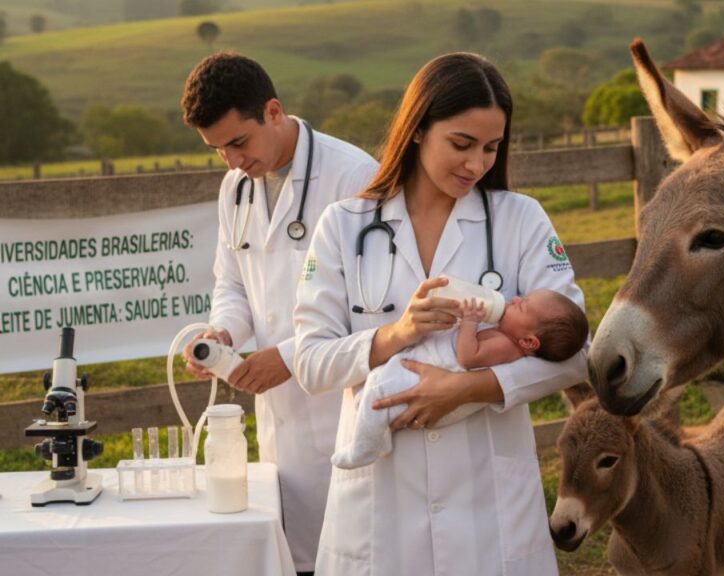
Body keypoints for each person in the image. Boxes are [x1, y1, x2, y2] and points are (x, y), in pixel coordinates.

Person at [293, 52, 588, 576]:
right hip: (382, 503)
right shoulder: (344, 226)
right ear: (417, 130)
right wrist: (396, 334)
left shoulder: (520, 220)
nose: (477, 164)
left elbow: (575, 355)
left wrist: (468, 389)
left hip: (488, 506)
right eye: (461, 144)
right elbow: (312, 363)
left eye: (491, 148)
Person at [179, 51, 379, 574]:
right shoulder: (235, 189)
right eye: (217, 150)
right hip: (280, 426)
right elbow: (234, 284)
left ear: (273, 111)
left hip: (346, 410)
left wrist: (289, 358)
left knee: (358, 555)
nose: (232, 161)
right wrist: (221, 329)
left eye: (238, 142)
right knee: (297, 557)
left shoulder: (354, 176)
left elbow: (377, 311)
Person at [332, 288, 589, 469]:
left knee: (378, 390)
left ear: (529, 341)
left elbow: (468, 357)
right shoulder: (507, 334)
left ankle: (364, 447)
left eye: (521, 306)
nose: (515, 298)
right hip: (430, 369)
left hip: (440, 377)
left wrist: (470, 322)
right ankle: (378, 436)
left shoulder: (506, 346)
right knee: (374, 388)